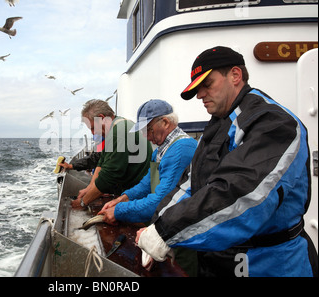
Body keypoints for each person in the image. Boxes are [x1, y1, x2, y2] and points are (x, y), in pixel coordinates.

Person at [136, 46, 318, 277]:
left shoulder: (274, 122)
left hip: (272, 264)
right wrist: (157, 224)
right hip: (221, 262)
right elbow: (191, 185)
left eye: (207, 84)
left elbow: (242, 195)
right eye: (197, 89)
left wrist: (166, 232)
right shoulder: (217, 126)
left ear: (235, 75)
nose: (200, 94)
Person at [98, 99, 198, 276]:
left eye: (148, 130)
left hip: (182, 238)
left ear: (166, 122)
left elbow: (160, 202)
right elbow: (147, 184)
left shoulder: (181, 149)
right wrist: (123, 198)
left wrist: (118, 210)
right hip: (164, 228)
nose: (146, 136)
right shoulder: (160, 150)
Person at [71, 99, 153, 209]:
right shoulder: (121, 124)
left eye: (93, 128)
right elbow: (101, 162)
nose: (93, 133)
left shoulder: (118, 133)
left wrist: (82, 202)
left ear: (101, 118)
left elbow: (108, 178)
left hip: (138, 199)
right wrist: (89, 189)